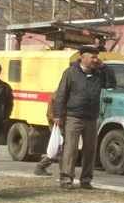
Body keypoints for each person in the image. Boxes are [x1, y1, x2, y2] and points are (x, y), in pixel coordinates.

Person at [54, 46, 116, 190]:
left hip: (91, 117)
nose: (95, 60)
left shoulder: (99, 74)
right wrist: (58, 115)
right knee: (70, 149)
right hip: (73, 116)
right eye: (92, 57)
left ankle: (86, 180)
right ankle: (66, 179)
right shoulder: (70, 72)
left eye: (96, 57)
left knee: (90, 149)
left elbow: (112, 84)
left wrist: (105, 68)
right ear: (83, 57)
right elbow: (61, 94)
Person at [34, 92, 59, 176]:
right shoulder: (58, 95)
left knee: (58, 147)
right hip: (56, 123)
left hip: (55, 122)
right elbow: (53, 112)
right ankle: (41, 166)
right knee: (57, 147)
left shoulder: (58, 94)